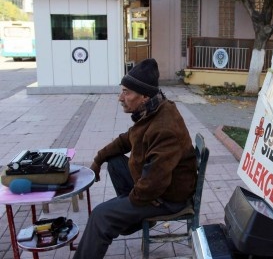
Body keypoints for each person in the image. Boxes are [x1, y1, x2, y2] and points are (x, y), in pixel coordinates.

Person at [73, 58, 198, 259]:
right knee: (114, 162)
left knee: (100, 216)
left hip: (166, 198)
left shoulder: (164, 127)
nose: (120, 98)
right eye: (122, 91)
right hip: (155, 187)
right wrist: (98, 159)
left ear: (144, 97)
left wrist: (126, 205)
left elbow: (152, 184)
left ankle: (134, 216)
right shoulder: (152, 111)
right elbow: (126, 139)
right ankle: (133, 217)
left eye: (126, 92)